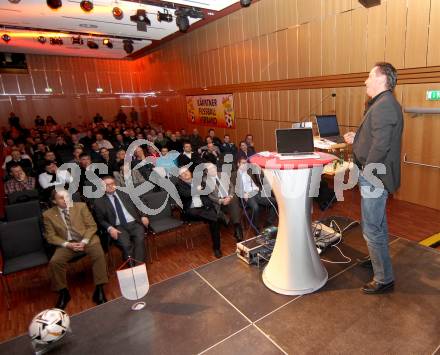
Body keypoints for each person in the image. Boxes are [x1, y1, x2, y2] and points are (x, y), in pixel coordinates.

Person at [344, 62, 403, 294]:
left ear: (381, 79)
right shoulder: (381, 103)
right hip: (373, 174)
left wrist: (366, 171)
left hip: (374, 176)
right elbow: (375, 136)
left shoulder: (385, 106)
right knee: (378, 222)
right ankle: (377, 259)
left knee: (371, 228)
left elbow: (381, 146)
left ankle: (384, 278)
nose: (365, 81)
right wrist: (357, 137)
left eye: (369, 76)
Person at [43, 190, 108, 309]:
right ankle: (63, 292)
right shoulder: (48, 215)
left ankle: (99, 288)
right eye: (61, 198)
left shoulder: (81, 206)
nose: (66, 199)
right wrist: (67, 244)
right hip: (67, 244)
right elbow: (51, 236)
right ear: (54, 201)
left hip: (86, 239)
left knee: (98, 253)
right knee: (55, 262)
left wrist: (84, 242)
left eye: (67, 196)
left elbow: (92, 226)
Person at [93, 175, 149, 262]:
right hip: (118, 227)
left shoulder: (125, 192)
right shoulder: (98, 202)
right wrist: (110, 228)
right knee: (126, 245)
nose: (110, 186)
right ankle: (133, 266)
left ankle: (138, 267)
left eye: (112, 183)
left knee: (139, 240)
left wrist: (144, 215)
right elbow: (100, 220)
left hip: (134, 223)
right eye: (107, 185)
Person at [176, 167, 222, 258]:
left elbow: (208, 189)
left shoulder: (198, 180)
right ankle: (219, 217)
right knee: (213, 217)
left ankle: (217, 248)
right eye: (183, 174)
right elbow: (186, 194)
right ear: (180, 178)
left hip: (204, 208)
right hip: (191, 210)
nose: (185, 174)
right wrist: (197, 189)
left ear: (190, 172)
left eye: (187, 172)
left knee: (214, 221)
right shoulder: (178, 185)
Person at [236, 158, 277, 233]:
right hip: (248, 195)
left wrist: (257, 188)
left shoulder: (248, 172)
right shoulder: (235, 175)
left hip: (256, 192)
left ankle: (269, 222)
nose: (244, 165)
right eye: (242, 163)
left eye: (245, 163)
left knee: (273, 201)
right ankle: (256, 228)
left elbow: (256, 179)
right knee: (256, 208)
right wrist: (243, 194)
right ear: (238, 164)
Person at [206, 163, 243, 241]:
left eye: (213, 167)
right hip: (219, 202)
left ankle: (237, 227)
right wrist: (220, 201)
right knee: (233, 204)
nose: (213, 170)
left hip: (229, 198)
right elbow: (210, 196)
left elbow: (231, 187)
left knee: (234, 199)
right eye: (210, 169)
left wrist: (230, 196)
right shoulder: (205, 181)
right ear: (207, 172)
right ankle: (235, 225)